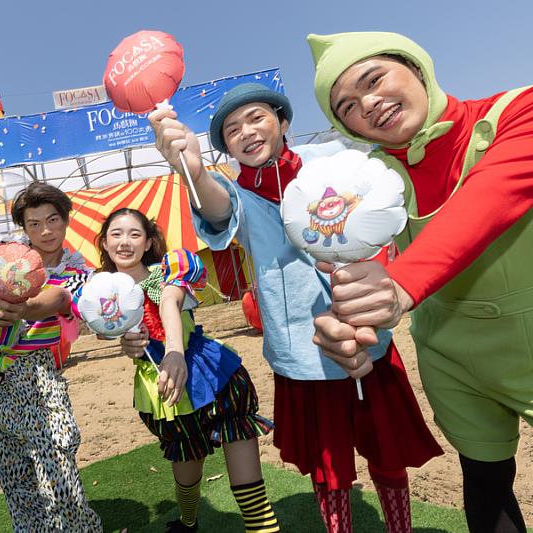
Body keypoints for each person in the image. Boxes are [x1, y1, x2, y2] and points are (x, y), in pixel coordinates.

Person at [144, 83, 443, 533]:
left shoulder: (330, 163)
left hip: (367, 339)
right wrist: (193, 170)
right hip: (303, 357)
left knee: (387, 453)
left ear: (282, 122)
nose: (246, 132)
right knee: (329, 467)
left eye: (256, 118)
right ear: (227, 148)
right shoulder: (239, 195)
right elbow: (217, 208)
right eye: (232, 129)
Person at [308, 31, 532, 532]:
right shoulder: (365, 182)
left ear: (416, 66)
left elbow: (489, 198)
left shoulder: (520, 111)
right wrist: (351, 323)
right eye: (347, 107)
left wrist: (397, 287)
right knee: (485, 482)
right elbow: (361, 260)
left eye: (374, 79)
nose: (368, 104)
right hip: (452, 359)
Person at [87, 207, 277, 533]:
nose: (125, 241)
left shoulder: (168, 271)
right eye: (116, 234)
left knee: (246, 479)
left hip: (211, 376)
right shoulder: (102, 293)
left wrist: (174, 352)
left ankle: (262, 527)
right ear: (104, 243)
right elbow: (107, 331)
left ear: (148, 242)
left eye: (135, 234)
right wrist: (128, 346)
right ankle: (188, 522)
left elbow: (169, 303)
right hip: (165, 394)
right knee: (186, 474)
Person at [0, 182, 102, 532]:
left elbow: (58, 298)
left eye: (53, 220)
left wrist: (21, 305)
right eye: (34, 223)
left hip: (40, 379)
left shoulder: (79, 274)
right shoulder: (8, 257)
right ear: (23, 228)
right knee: (14, 478)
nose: (45, 231)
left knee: (58, 470)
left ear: (66, 220)